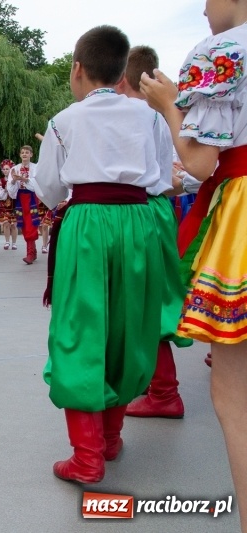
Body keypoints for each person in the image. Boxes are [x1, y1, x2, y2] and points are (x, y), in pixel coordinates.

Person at [34, 25, 165, 485]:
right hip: (139, 222)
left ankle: (87, 455)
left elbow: (50, 188)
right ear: (121, 71)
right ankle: (110, 438)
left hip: (88, 223)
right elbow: (164, 174)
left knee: (80, 329)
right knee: (128, 329)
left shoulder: (63, 121)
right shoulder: (149, 117)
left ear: (78, 69)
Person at [141, 3, 247, 528]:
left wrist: (168, 105)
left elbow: (202, 163)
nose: (204, 8)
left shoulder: (222, 52)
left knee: (235, 393)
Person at [111, 46, 192, 420]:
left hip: (139, 210)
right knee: (152, 298)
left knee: (145, 303)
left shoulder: (131, 115)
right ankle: (154, 384)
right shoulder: (159, 115)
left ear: (122, 80)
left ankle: (163, 392)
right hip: (157, 208)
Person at [7, 145, 41, 264]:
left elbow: (37, 184)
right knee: (24, 224)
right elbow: (10, 189)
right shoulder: (15, 168)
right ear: (20, 155)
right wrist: (14, 180)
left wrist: (24, 179)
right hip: (20, 198)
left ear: (31, 154)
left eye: (27, 152)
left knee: (31, 223)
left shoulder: (36, 168)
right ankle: (32, 251)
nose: (24, 154)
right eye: (22, 152)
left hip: (32, 198)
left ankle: (30, 253)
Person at [0, 159, 18, 250]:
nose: (5, 171)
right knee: (6, 223)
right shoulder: (0, 181)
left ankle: (14, 243)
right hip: (4, 205)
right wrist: (4, 190)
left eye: (7, 169)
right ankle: (7, 241)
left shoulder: (15, 180)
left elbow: (17, 192)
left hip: (14, 204)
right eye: (4, 169)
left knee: (14, 225)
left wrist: (11, 189)